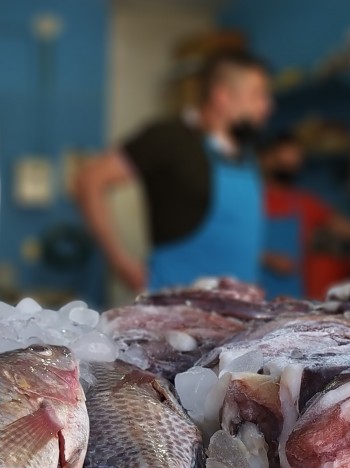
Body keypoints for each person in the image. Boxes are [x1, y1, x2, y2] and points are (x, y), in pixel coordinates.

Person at [76, 51, 272, 293]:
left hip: (242, 310)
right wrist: (120, 261)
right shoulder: (168, 139)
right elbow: (90, 180)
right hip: (177, 310)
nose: (267, 106)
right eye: (258, 95)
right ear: (223, 97)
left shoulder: (246, 154)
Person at [260, 133, 350, 299]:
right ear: (267, 158)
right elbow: (227, 241)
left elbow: (345, 227)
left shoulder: (304, 202)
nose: (291, 163)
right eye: (284, 157)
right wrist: (266, 258)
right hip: (252, 292)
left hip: (292, 295)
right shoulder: (251, 198)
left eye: (296, 158)